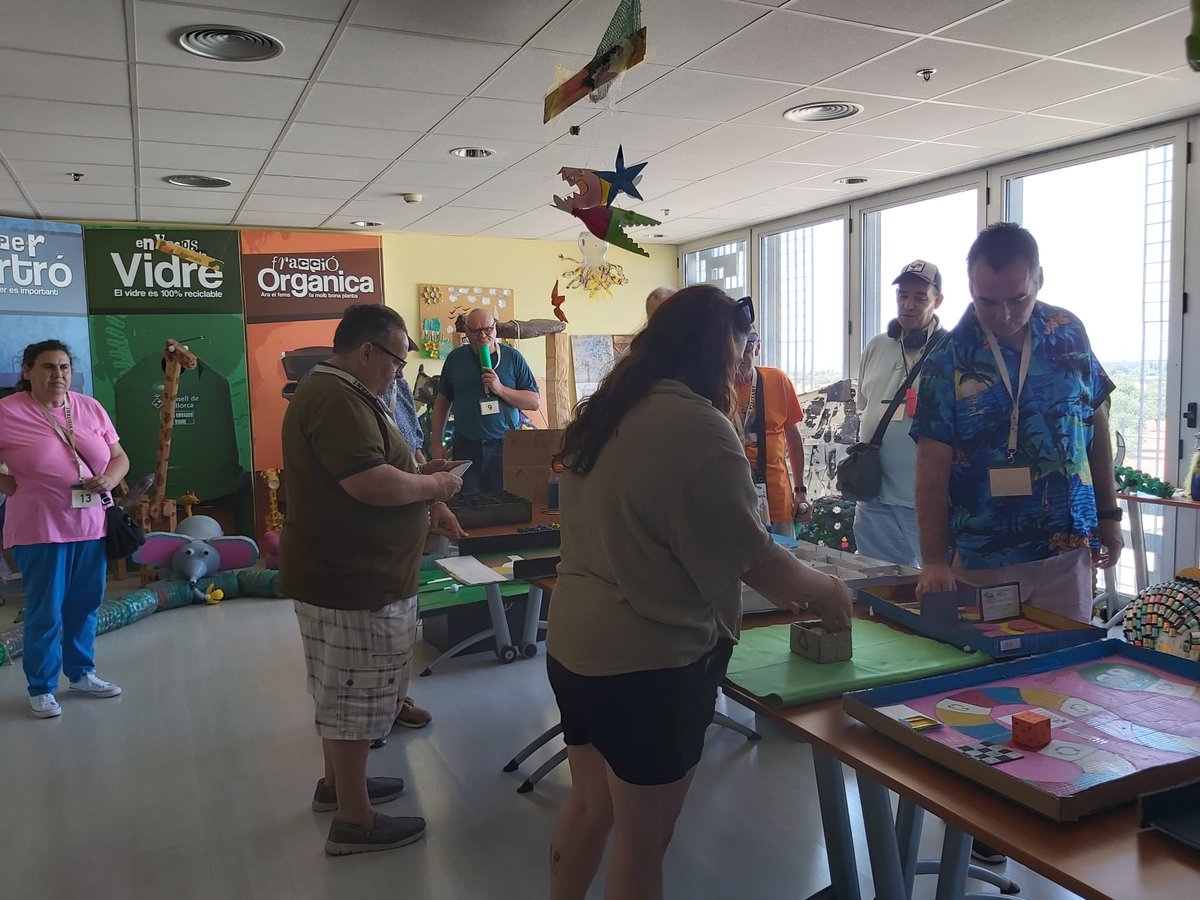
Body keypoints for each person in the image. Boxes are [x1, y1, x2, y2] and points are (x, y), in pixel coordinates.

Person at [545, 285, 853, 900]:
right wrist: (828, 589)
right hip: (646, 663)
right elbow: (757, 560)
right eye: (740, 350)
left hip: (575, 645)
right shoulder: (698, 426)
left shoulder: (607, 411)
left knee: (589, 808)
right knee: (642, 843)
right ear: (715, 350)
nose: (744, 366)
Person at [912, 225, 1122, 866]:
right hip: (982, 558)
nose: (1001, 316)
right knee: (988, 694)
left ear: (1039, 283)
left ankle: (1060, 804)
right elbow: (932, 471)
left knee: (1064, 687)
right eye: (985, 301)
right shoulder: (949, 359)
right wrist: (932, 560)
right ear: (968, 288)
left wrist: (1110, 515)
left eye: (1016, 300)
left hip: (1065, 549)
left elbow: (1097, 428)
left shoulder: (1069, 335)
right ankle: (988, 828)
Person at [281, 304, 467, 856]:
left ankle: (341, 786)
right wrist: (432, 490)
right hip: (353, 577)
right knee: (355, 696)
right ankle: (356, 821)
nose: (398, 373)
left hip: (345, 571)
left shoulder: (341, 393)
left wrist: (419, 477)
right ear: (367, 351)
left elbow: (381, 470)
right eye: (396, 360)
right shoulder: (338, 398)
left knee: (339, 688)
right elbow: (367, 482)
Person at [0, 340, 130, 719]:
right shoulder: (8, 412)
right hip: (40, 529)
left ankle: (81, 674)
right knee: (46, 611)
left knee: (85, 605)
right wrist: (8, 484)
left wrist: (109, 478)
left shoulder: (89, 407)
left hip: (91, 526)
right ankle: (41, 687)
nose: (58, 375)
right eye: (47, 367)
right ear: (27, 371)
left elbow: (120, 457)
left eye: (64, 367)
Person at [852, 260, 948, 567]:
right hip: (873, 496)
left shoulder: (950, 351)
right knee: (878, 583)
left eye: (920, 297)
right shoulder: (877, 346)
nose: (908, 305)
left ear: (938, 300)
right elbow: (864, 404)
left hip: (923, 500)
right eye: (902, 295)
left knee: (934, 586)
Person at [431, 307, 540, 492]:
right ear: (466, 331)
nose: (483, 335)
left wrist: (500, 389)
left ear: (495, 328)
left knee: (505, 503)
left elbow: (533, 402)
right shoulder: (456, 359)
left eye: (488, 329)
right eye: (476, 331)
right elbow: (442, 403)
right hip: (466, 445)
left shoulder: (513, 358)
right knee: (468, 504)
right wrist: (436, 444)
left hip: (504, 446)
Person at [735, 329, 811, 536]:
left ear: (758, 346)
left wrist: (801, 492)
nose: (743, 350)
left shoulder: (778, 380)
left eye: (749, 341)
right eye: (735, 341)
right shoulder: (714, 387)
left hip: (776, 500)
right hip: (731, 498)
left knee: (783, 564)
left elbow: (794, 440)